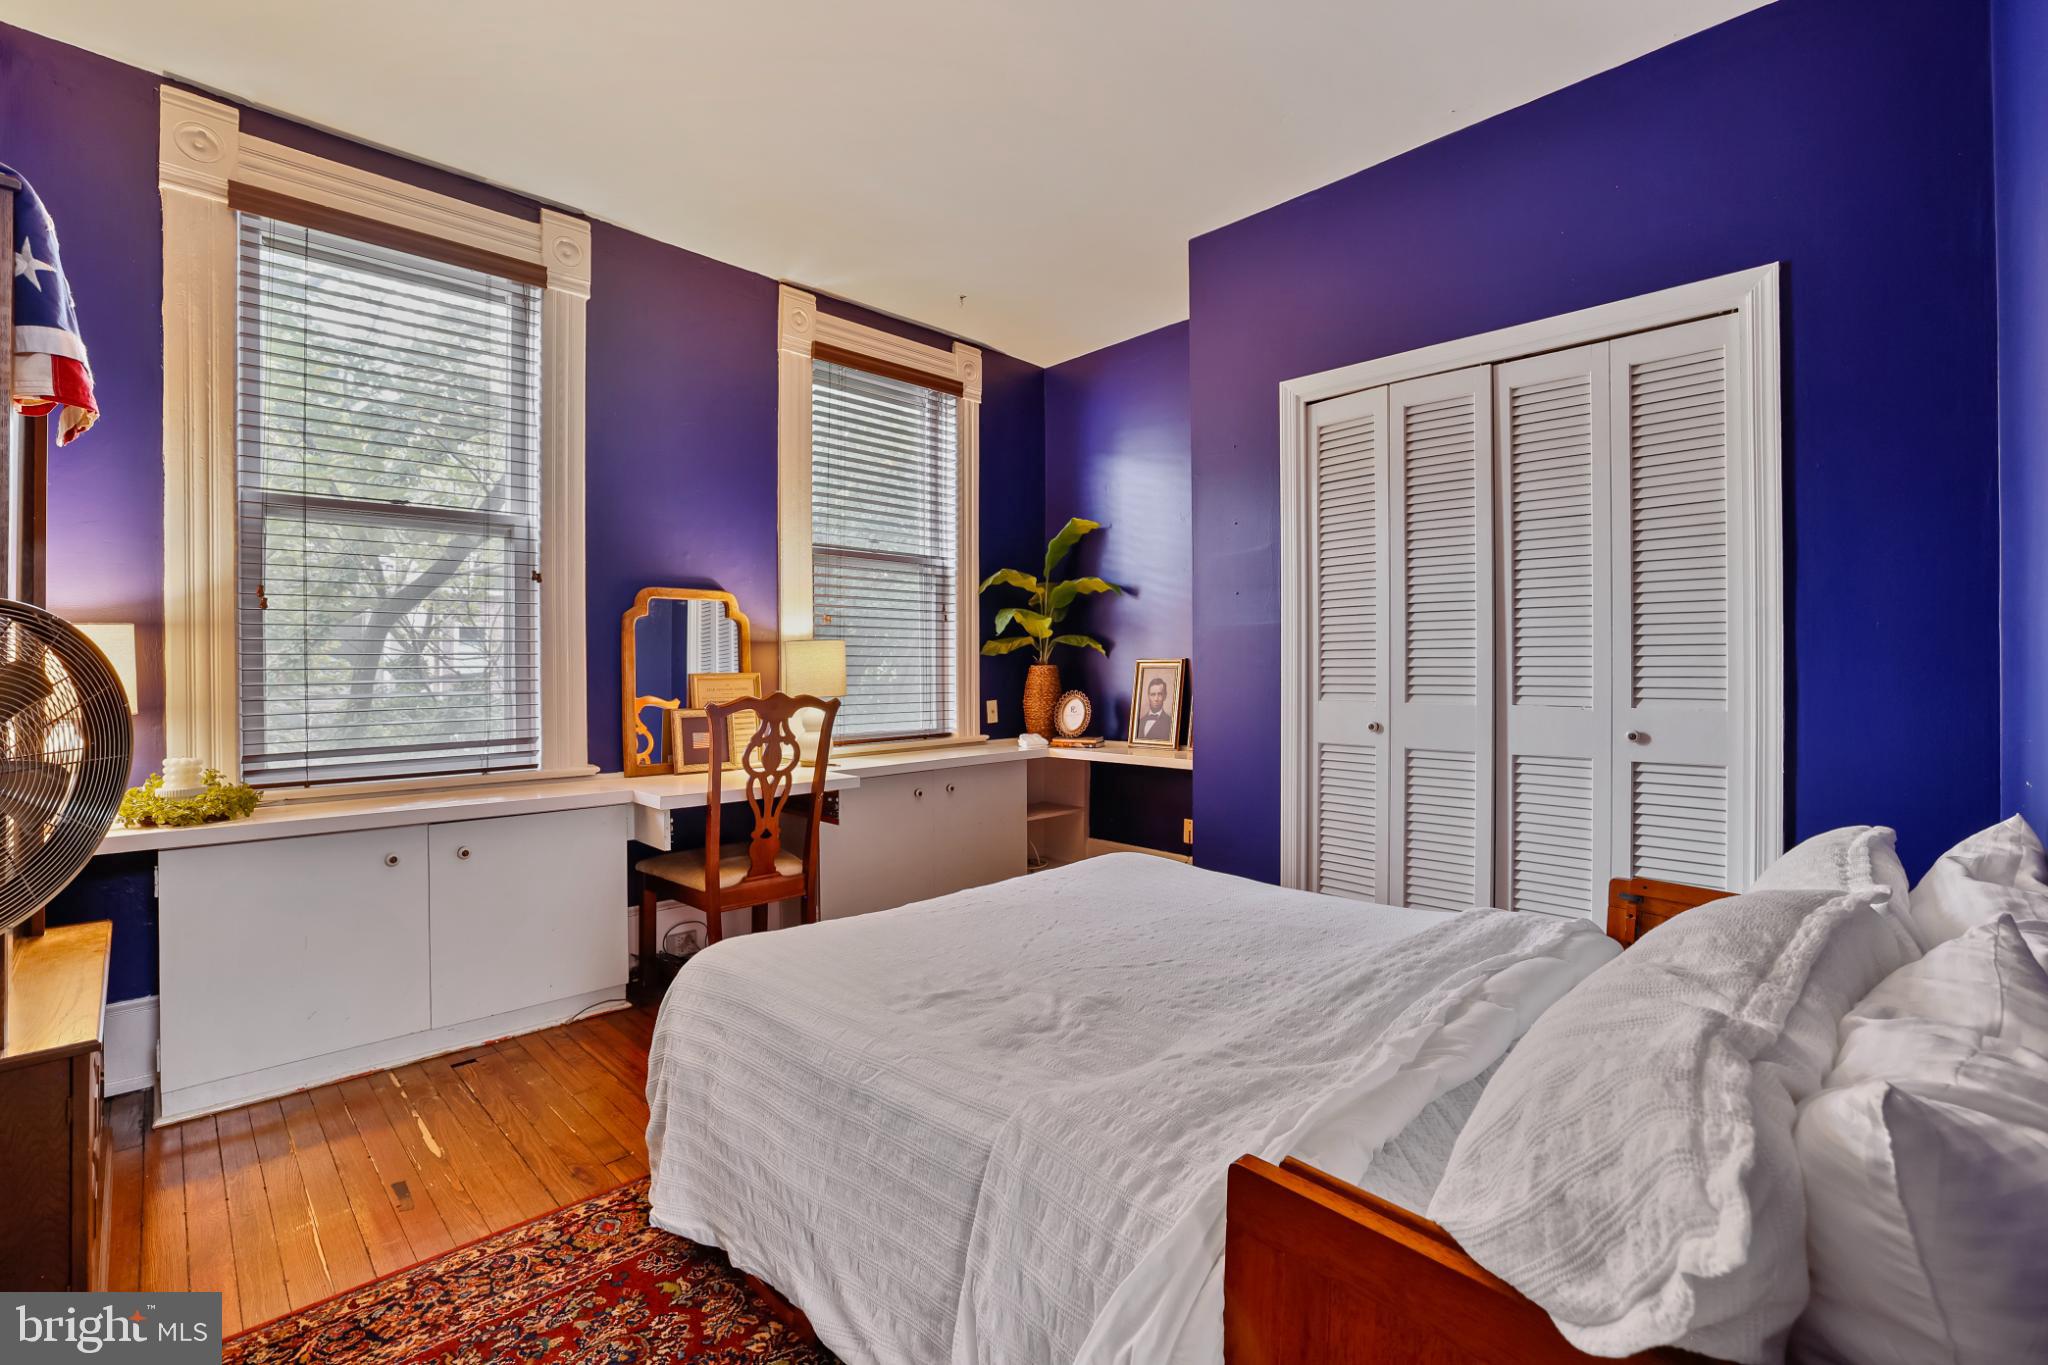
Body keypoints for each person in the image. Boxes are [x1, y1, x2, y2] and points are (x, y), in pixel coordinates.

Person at [1135, 673, 1175, 742]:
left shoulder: (1170, 723)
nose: (1156, 699)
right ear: (1148, 696)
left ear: (1165, 696)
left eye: (1160, 694)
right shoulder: (1139, 722)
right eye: (1153, 694)